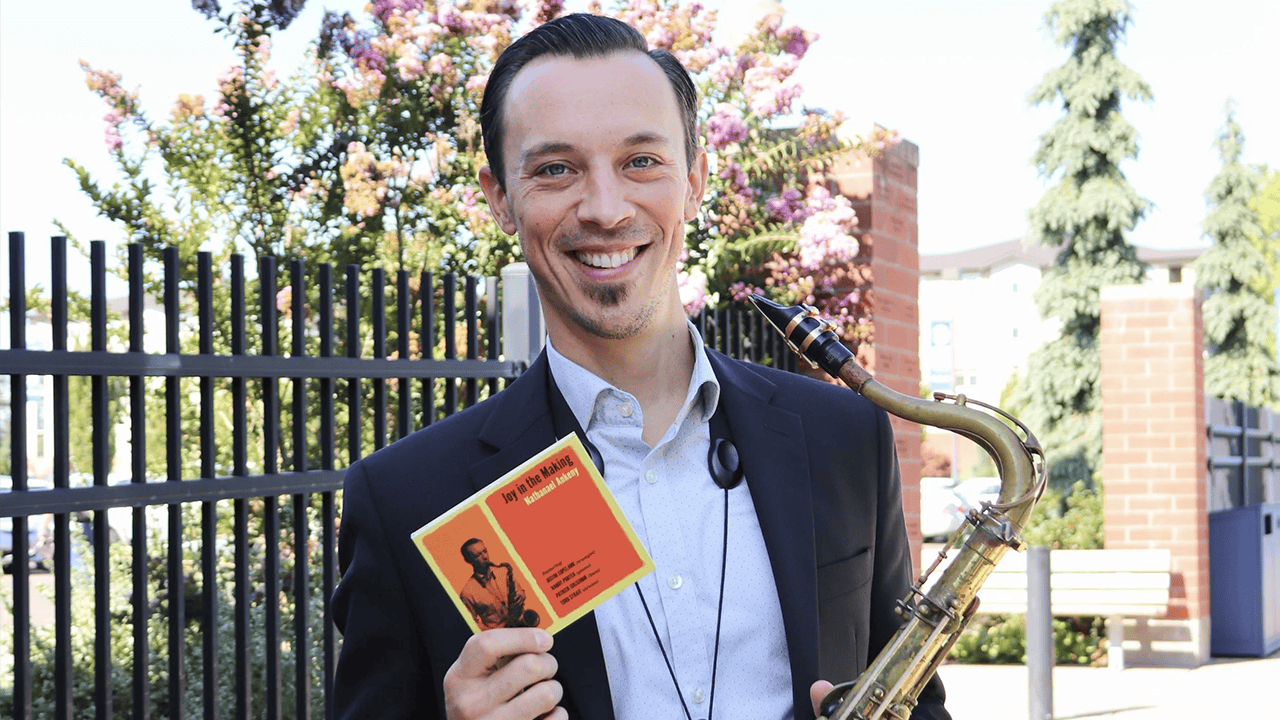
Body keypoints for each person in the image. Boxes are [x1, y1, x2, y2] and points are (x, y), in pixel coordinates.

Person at [332, 12, 949, 720]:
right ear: (500, 198)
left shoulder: (844, 437)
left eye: (641, 162)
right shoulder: (405, 499)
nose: (605, 209)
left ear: (695, 180)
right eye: (556, 169)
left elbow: (920, 703)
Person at [458, 538, 539, 630]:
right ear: (468, 560)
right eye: (478, 555)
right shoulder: (467, 593)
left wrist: (520, 596)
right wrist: (495, 631)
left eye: (485, 551)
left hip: (521, 624)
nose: (485, 557)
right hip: (500, 634)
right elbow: (473, 625)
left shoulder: (504, 572)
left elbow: (521, 592)